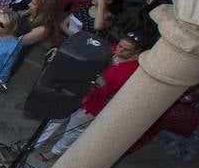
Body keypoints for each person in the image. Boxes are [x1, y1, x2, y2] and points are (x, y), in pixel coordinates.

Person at [36, 32, 144, 160]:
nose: (120, 50)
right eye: (120, 45)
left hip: (95, 103)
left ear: (138, 51)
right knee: (55, 118)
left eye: (126, 50)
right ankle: (34, 144)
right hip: (77, 92)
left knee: (73, 130)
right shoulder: (110, 50)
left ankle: (54, 152)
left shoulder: (135, 70)